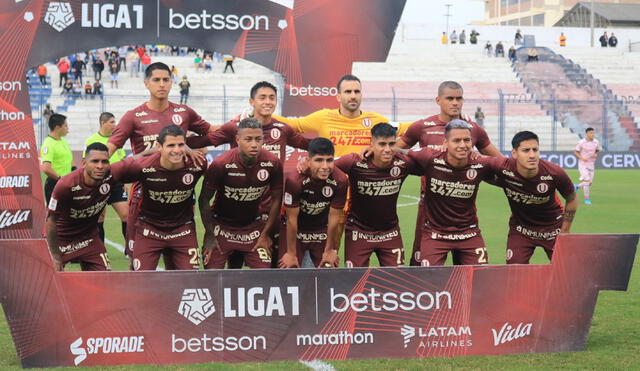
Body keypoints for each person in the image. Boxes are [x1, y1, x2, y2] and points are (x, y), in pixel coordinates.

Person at [187, 81, 310, 268]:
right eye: (262, 97)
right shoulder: (234, 127)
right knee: (232, 265)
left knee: (273, 266)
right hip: (234, 211)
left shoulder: (283, 129)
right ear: (252, 102)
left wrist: (308, 159)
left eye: (272, 98)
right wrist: (179, 143)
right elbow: (207, 140)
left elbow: (310, 145)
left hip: (269, 213)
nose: (268, 102)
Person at [107, 62, 216, 266]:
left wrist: (238, 123)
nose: (162, 84)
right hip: (144, 197)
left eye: (166, 80)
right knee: (138, 267)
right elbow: (111, 146)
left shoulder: (184, 112)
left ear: (172, 83)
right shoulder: (133, 116)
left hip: (180, 195)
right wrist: (98, 162)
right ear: (146, 83)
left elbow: (211, 132)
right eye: (156, 80)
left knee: (180, 265)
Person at [397, 81, 503, 266]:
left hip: (462, 203)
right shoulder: (422, 126)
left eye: (459, 98)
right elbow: (395, 151)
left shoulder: (473, 129)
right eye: (450, 98)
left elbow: (499, 160)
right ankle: (424, 294)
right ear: (438, 100)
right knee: (421, 263)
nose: (455, 102)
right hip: (430, 206)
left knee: (468, 268)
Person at [110, 125, 204, 271]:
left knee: (190, 279)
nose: (177, 150)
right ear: (159, 147)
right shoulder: (142, 166)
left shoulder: (198, 164)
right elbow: (106, 172)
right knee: (141, 281)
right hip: (149, 229)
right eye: (171, 145)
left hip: (183, 229)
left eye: (181, 145)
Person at [407, 120, 499, 266]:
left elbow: (510, 169)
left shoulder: (481, 164)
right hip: (435, 234)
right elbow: (399, 153)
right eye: (456, 140)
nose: (463, 145)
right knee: (429, 279)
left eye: (467, 140)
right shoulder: (430, 158)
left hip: (469, 233)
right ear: (445, 143)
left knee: (480, 279)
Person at [199, 118, 283, 269]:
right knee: (211, 275)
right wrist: (210, 234)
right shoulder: (221, 163)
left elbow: (277, 199)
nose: (254, 144)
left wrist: (265, 234)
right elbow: (204, 199)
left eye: (258, 139)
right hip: (221, 227)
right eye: (248, 139)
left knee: (264, 275)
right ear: (237, 139)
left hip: (253, 227)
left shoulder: (273, 162)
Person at [336, 123, 418, 267]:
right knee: (354, 280)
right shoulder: (355, 162)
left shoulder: (403, 163)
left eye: (392, 144)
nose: (387, 149)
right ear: (371, 144)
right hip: (358, 231)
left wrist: (401, 151)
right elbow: (326, 166)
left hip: (390, 232)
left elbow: (431, 162)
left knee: (397, 280)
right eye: (382, 144)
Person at [494, 131, 577, 264]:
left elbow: (572, 198)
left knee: (565, 273)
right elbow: (480, 167)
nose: (532, 155)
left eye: (535, 150)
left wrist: (565, 231)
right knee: (514, 272)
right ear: (514, 153)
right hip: (521, 229)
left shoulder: (554, 173)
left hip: (553, 228)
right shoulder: (503, 169)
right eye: (526, 150)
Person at [46, 142, 117, 271]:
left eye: (104, 162)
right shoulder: (66, 185)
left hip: (89, 239)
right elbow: (50, 222)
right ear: (84, 163)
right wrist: (55, 256)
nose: (100, 166)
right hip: (62, 239)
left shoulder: (113, 176)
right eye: (95, 161)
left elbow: (136, 166)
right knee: (49, 282)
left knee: (106, 279)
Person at [278, 138, 347, 268]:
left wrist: (330, 249)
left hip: (321, 230)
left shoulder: (341, 180)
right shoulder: (295, 180)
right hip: (296, 229)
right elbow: (291, 219)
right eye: (319, 160)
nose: (325, 166)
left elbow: (334, 218)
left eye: (329, 160)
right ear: (308, 161)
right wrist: (291, 254)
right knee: (288, 269)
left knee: (329, 269)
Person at [84, 112, 129, 243]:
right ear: (103, 123)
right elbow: (85, 163)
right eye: (112, 122)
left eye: (115, 122)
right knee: (99, 217)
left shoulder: (117, 141)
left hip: (116, 184)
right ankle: (99, 249)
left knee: (126, 215)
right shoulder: (91, 140)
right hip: (98, 184)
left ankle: (130, 249)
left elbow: (123, 161)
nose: (115, 125)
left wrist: (125, 180)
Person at [40, 114, 73, 205]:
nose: (67, 128)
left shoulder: (62, 141)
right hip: (55, 185)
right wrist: (60, 179)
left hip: (66, 184)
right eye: (65, 125)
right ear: (58, 127)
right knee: (54, 217)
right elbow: (46, 168)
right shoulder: (49, 144)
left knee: (67, 215)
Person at [574, 127, 600, 205]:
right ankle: (587, 198)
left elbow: (597, 150)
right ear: (587, 134)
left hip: (591, 164)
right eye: (591, 133)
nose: (592, 134)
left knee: (589, 183)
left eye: (593, 133)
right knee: (587, 181)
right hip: (583, 164)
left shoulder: (596, 142)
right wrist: (582, 158)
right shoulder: (581, 142)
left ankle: (577, 186)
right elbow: (575, 152)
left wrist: (596, 155)